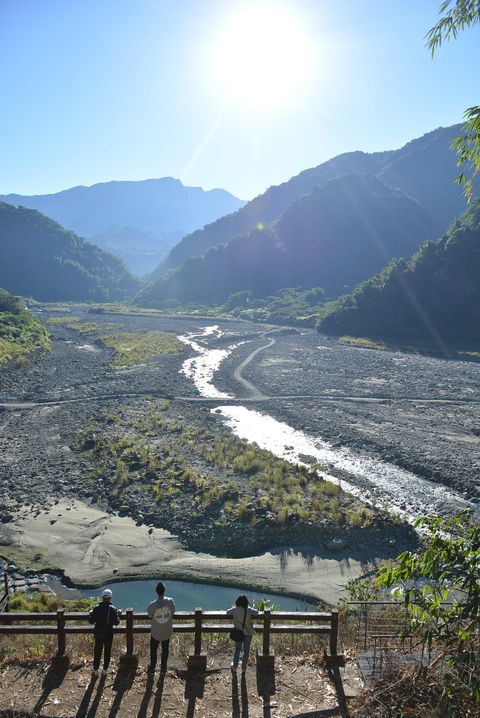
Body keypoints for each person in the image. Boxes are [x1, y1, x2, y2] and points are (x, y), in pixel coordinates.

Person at [88, 588, 121, 677]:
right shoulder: (113, 609)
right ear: (110, 598)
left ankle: (95, 670)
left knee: (97, 651)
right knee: (107, 651)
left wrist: (90, 613)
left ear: (102, 598)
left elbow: (91, 621)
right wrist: (118, 615)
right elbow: (116, 623)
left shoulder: (96, 608)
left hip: (98, 633)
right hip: (109, 633)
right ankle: (105, 670)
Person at [147, 581, 176, 673]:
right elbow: (173, 611)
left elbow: (149, 615)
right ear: (164, 591)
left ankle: (152, 666)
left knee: (153, 650)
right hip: (166, 631)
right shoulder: (170, 601)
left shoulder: (152, 605)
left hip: (156, 632)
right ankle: (163, 667)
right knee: (165, 650)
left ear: (156, 591)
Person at [227, 594, 258, 674]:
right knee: (246, 651)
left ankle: (235, 667)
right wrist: (253, 608)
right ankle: (244, 668)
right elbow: (257, 613)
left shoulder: (235, 610)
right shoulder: (249, 610)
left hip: (238, 632)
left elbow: (227, 612)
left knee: (237, 649)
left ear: (237, 601)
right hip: (248, 633)